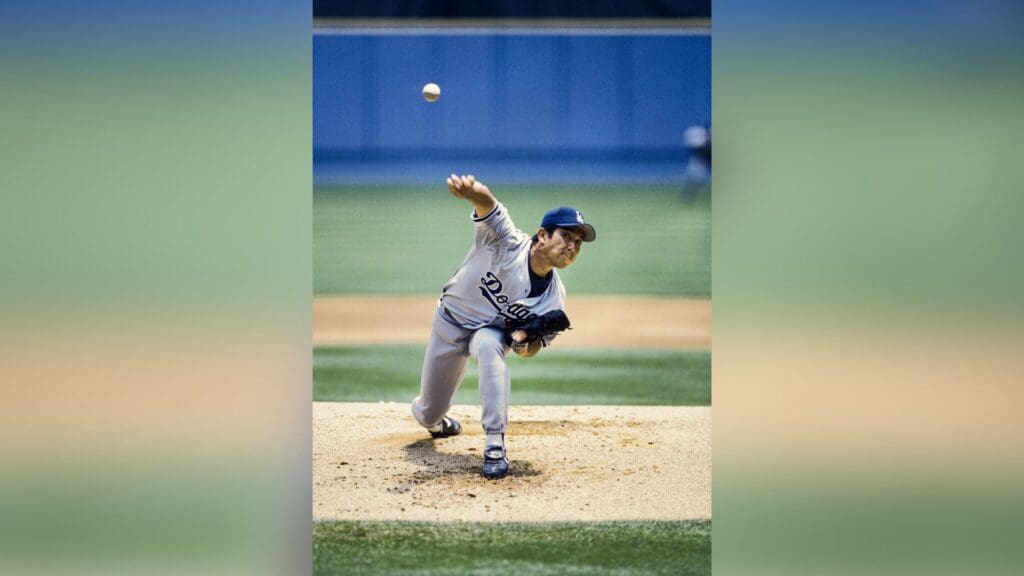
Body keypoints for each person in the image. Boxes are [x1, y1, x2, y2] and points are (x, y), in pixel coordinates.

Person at [410, 173, 596, 479]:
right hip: (450, 322)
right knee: (428, 413)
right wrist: (472, 191)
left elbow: (530, 350)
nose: (572, 246)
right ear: (542, 235)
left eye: (578, 242)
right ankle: (437, 422)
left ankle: (494, 444)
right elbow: (488, 203)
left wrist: (523, 343)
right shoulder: (505, 241)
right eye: (566, 236)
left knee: (488, 345)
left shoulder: (554, 299)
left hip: (489, 333)